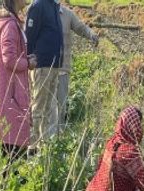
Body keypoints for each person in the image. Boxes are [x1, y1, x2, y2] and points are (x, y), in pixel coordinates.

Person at [0, 0, 32, 162]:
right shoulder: (9, 26)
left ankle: (10, 183)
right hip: (13, 94)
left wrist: (27, 59)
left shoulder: (11, 23)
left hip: (14, 92)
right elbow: (9, 61)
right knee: (12, 144)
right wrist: (29, 63)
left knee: (12, 142)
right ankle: (10, 184)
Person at [49, 2, 98, 136]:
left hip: (62, 68)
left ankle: (59, 136)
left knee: (61, 105)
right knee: (47, 105)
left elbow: (80, 27)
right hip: (45, 69)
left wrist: (92, 35)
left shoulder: (67, 14)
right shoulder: (43, 13)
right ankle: (47, 138)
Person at [25, 0, 64, 150]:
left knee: (48, 107)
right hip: (42, 65)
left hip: (54, 65)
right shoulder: (38, 6)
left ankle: (44, 143)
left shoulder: (54, 6)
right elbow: (30, 35)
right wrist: (30, 58)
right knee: (39, 105)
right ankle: (33, 145)